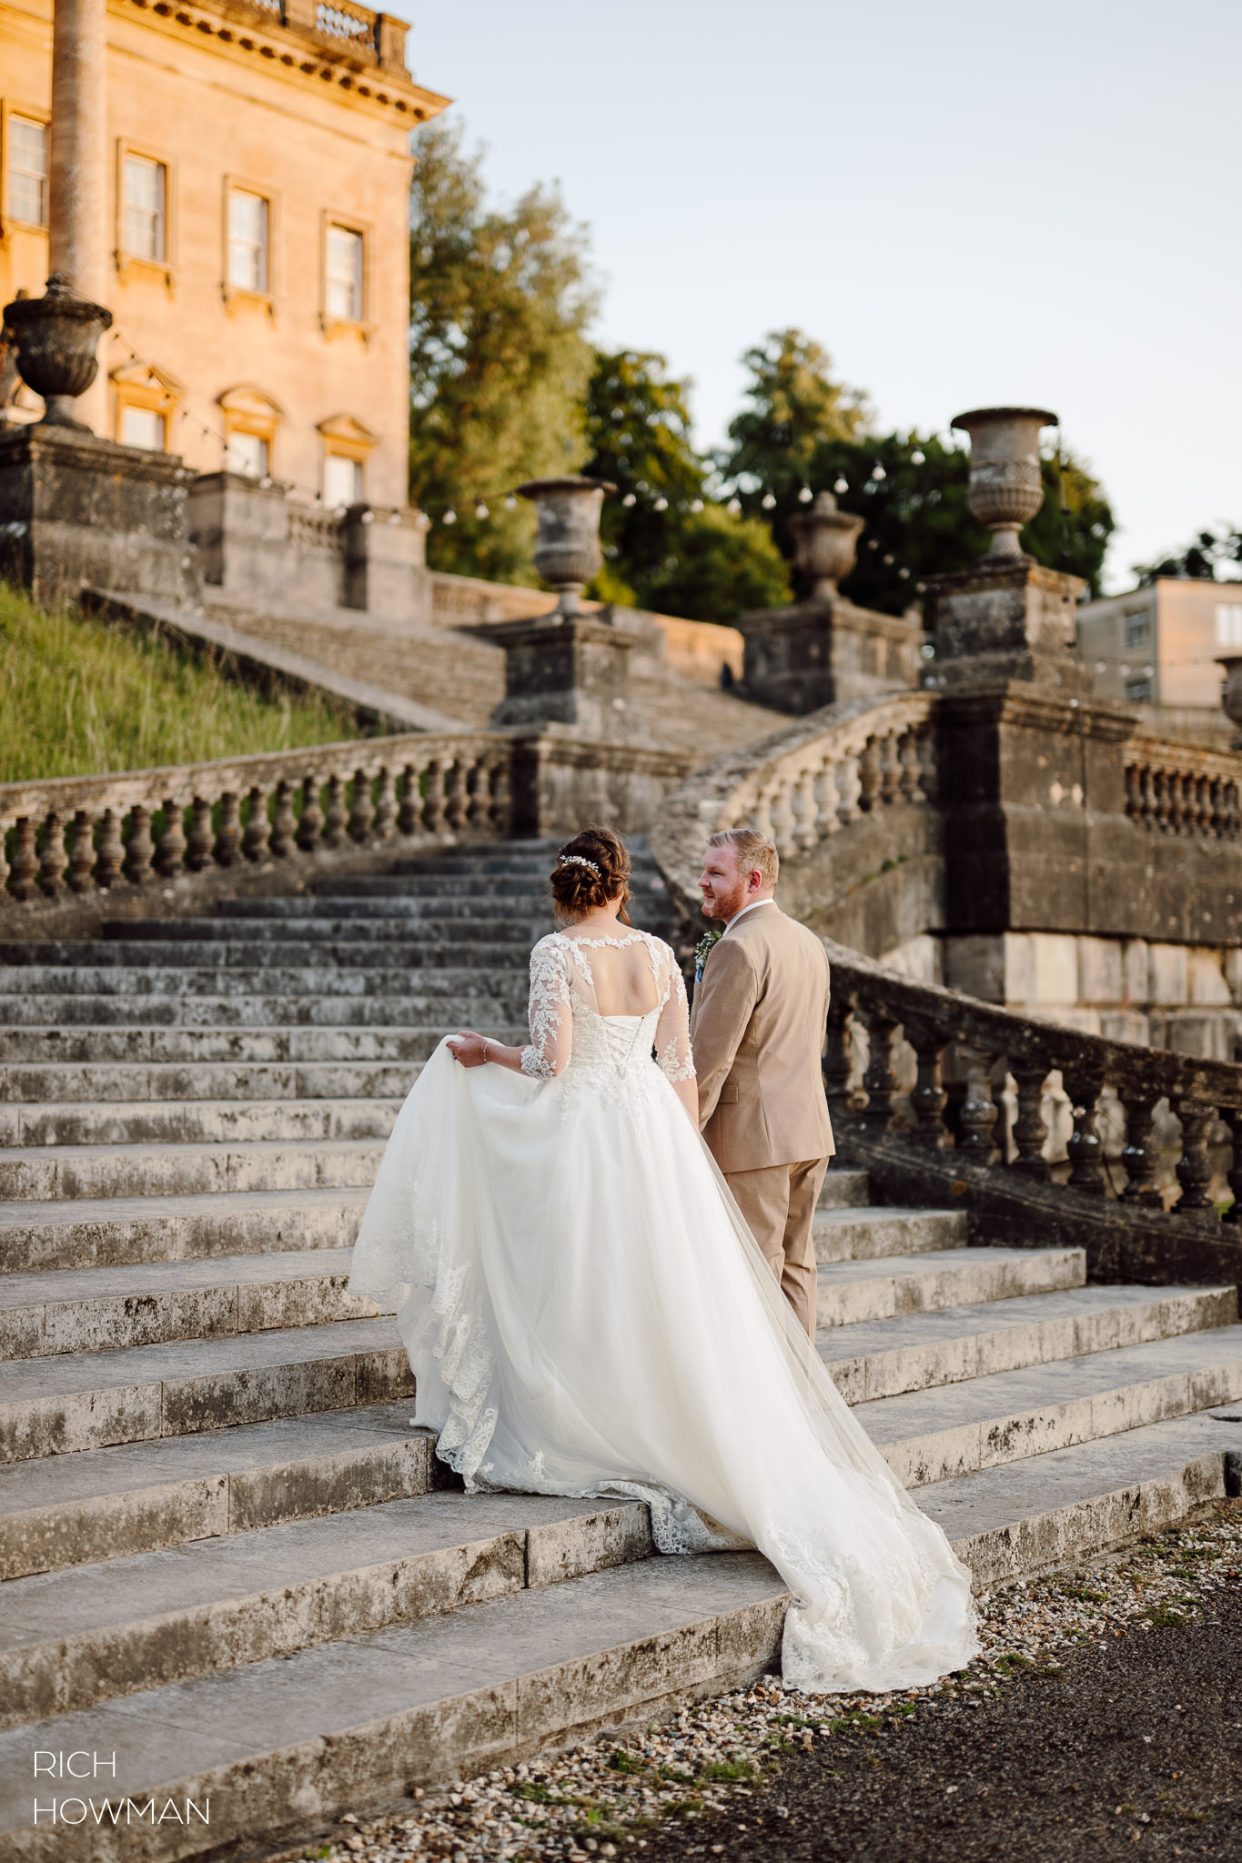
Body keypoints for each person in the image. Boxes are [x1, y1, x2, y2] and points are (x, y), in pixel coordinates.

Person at [346, 825, 979, 1692]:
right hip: (652, 1129)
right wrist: (680, 1161)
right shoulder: (660, 953)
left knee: (580, 1271)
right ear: (621, 887)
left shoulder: (556, 952)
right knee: (667, 1285)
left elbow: (551, 1060)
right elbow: (680, 1066)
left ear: (566, 893)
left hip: (586, 1131)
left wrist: (485, 1053)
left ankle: (590, 1402)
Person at [690, 828, 832, 1339]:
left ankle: (766, 1405)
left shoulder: (739, 949)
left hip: (753, 1139)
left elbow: (710, 1059)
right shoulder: (807, 941)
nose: (701, 882)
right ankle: (800, 1400)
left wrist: (681, 1132)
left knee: (754, 1270)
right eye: (704, 870)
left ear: (752, 880)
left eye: (714, 873)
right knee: (796, 1266)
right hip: (808, 1129)